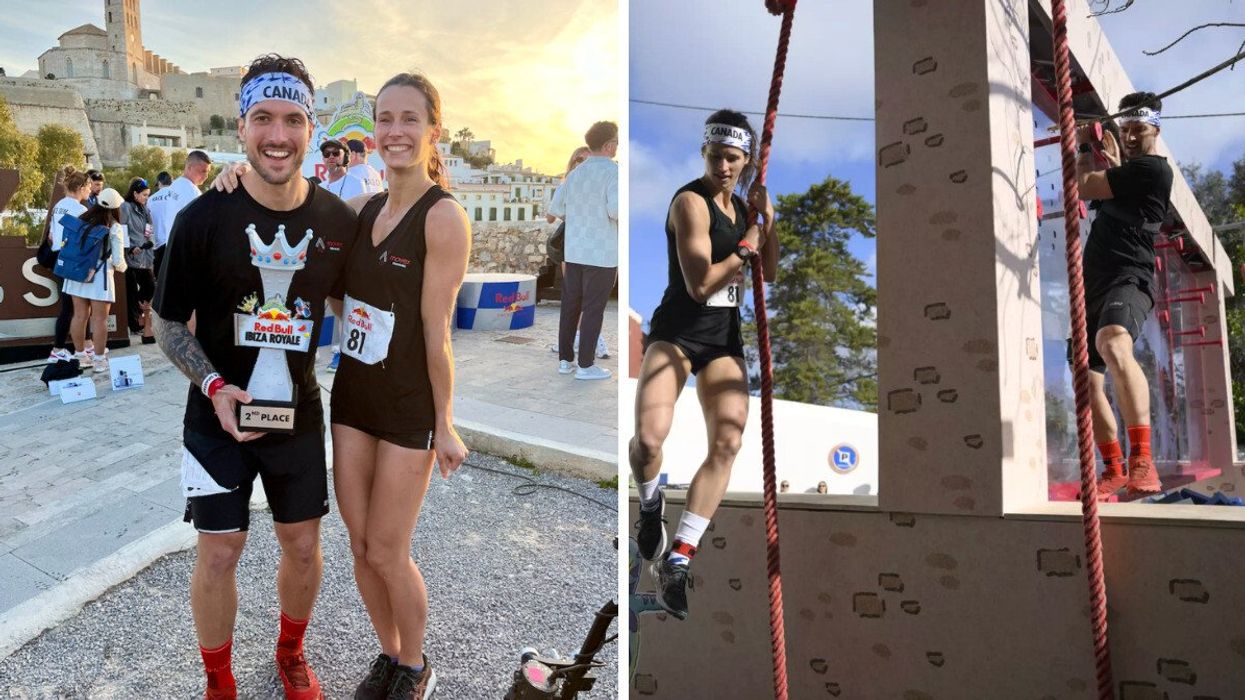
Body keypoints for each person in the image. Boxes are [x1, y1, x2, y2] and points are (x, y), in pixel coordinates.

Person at [151, 54, 356, 700]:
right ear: (240, 129)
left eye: (292, 118)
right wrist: (213, 388)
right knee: (218, 551)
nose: (277, 134)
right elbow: (167, 326)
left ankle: (290, 653)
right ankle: (218, 681)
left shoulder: (337, 224)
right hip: (215, 414)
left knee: (301, 546)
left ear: (311, 128)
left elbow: (362, 313)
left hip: (295, 413)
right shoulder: (202, 219)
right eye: (262, 118)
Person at [331, 71, 468, 700]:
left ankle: (415, 666)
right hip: (352, 399)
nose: (395, 131)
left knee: (388, 550)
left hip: (409, 405)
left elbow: (436, 330)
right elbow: (300, 224)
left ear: (432, 130)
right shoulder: (359, 211)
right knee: (359, 547)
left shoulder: (443, 219)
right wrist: (229, 180)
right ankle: (388, 655)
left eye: (409, 118)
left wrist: (446, 422)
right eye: (385, 118)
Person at [630, 110, 777, 620]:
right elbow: (700, 284)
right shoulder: (689, 202)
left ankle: (680, 556)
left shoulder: (744, 209)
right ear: (704, 154)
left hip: (723, 341)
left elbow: (771, 270)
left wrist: (767, 223)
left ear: (746, 162)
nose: (723, 166)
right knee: (648, 440)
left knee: (729, 442)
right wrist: (745, 245)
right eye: (715, 156)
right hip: (676, 333)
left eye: (733, 158)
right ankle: (650, 506)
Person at [1075, 91, 1173, 500]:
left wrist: (1083, 145)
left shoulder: (1153, 170)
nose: (1131, 136)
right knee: (1087, 381)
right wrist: (1112, 158)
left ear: (1156, 129)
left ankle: (1141, 461)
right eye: (1126, 129)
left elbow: (1085, 186)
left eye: (1139, 129)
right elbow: (1113, 189)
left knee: (1113, 341)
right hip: (1092, 287)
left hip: (1128, 277)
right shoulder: (1131, 173)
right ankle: (1112, 469)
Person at [547, 121, 618, 380]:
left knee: (570, 307)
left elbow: (555, 210)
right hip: (601, 253)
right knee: (593, 309)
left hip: (574, 251)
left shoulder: (574, 174)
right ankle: (586, 366)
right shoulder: (614, 172)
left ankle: (565, 361)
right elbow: (616, 211)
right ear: (610, 145)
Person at [63, 188, 128, 373]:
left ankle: (80, 355)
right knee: (100, 320)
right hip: (100, 276)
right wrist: (123, 268)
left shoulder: (82, 219)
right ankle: (99, 360)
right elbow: (118, 261)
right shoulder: (114, 227)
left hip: (77, 274)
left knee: (79, 315)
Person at [45, 167, 91, 363]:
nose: (90, 190)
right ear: (81, 187)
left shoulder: (59, 206)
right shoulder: (80, 210)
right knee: (74, 307)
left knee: (75, 307)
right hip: (72, 260)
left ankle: (87, 344)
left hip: (58, 258)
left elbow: (51, 235)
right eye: (88, 186)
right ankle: (58, 348)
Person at [149, 150, 211, 276]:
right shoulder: (192, 193)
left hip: (171, 248)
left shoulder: (174, 186)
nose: (206, 176)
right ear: (189, 167)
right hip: (187, 253)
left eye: (208, 172)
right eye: (203, 171)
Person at [121, 178, 157, 343]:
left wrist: (150, 243)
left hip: (146, 254)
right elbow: (121, 230)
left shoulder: (145, 209)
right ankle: (136, 323)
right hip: (132, 255)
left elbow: (149, 230)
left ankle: (141, 314)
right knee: (131, 291)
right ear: (134, 193)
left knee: (151, 286)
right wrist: (128, 248)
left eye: (148, 195)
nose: (146, 198)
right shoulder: (125, 207)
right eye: (143, 195)